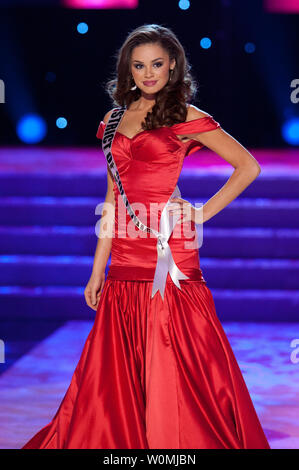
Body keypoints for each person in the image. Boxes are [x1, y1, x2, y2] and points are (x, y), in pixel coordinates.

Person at [21, 24, 270, 449]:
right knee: (119, 357)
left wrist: (200, 213)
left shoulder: (187, 116)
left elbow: (248, 166)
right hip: (124, 253)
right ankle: (128, 440)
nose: (148, 73)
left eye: (156, 64)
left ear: (173, 65)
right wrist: (97, 269)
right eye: (138, 66)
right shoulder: (113, 119)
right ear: (128, 70)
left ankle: (175, 441)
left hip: (167, 249)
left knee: (175, 349)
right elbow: (112, 196)